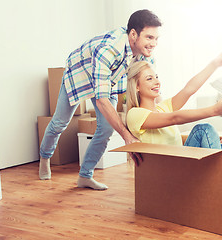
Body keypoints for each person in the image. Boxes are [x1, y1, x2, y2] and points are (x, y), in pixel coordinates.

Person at [39, 9, 161, 190]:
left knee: (105, 129)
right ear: (133, 34)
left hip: (108, 78)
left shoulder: (144, 55)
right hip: (80, 74)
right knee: (59, 123)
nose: (154, 44)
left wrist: (161, 114)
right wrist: (127, 136)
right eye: (149, 38)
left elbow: (151, 86)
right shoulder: (109, 50)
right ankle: (44, 157)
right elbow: (101, 100)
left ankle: (85, 177)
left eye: (156, 39)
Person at [126, 52, 222, 153]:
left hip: (184, 160)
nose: (157, 82)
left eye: (156, 77)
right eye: (149, 79)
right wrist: (214, 110)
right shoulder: (135, 114)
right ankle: (218, 173)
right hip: (171, 168)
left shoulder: (163, 108)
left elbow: (189, 89)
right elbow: (174, 118)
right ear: (137, 86)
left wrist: (215, 64)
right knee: (203, 129)